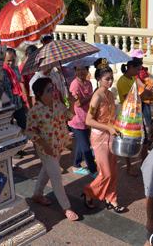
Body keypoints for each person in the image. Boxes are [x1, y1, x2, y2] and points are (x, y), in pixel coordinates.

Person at [25, 77, 79, 221]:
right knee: (56, 177)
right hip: (46, 150)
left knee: (47, 170)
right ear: (40, 93)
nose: (53, 92)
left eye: (53, 88)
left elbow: (69, 116)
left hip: (59, 145)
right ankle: (66, 207)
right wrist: (43, 144)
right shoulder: (35, 111)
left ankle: (37, 194)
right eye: (49, 90)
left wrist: (72, 103)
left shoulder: (57, 104)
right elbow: (30, 131)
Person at [82, 58, 126, 213]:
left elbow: (112, 116)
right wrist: (107, 127)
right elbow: (89, 120)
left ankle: (111, 199)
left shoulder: (110, 94)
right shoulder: (97, 97)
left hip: (111, 135)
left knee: (113, 170)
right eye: (107, 79)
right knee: (105, 173)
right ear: (99, 79)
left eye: (111, 78)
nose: (110, 81)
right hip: (99, 137)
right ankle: (88, 191)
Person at [117, 58, 153, 176]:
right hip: (128, 115)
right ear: (131, 67)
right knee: (129, 141)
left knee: (144, 139)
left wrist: (148, 90)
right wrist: (145, 92)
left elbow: (139, 93)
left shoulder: (133, 78)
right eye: (137, 69)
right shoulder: (122, 81)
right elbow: (131, 99)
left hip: (137, 112)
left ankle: (144, 163)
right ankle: (129, 167)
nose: (138, 72)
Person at [68, 65, 97, 176]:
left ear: (87, 70)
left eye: (83, 69)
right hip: (76, 120)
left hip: (86, 119)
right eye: (78, 69)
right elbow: (78, 103)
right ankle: (93, 170)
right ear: (75, 71)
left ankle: (76, 165)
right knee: (86, 147)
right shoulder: (74, 84)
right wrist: (92, 96)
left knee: (81, 144)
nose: (81, 72)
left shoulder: (88, 83)